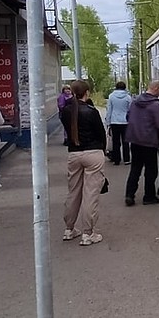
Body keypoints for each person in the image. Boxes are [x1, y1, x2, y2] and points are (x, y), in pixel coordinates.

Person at [60, 79, 106, 246]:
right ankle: (88, 233)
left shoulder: (66, 111)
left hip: (74, 154)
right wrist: (104, 150)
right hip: (93, 153)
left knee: (74, 192)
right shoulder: (91, 111)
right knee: (90, 194)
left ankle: (69, 229)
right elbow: (101, 133)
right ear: (87, 93)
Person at [125, 80, 159, 206]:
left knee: (135, 169)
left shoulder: (135, 101)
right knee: (151, 170)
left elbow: (128, 116)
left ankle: (129, 195)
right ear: (157, 89)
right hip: (149, 141)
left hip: (135, 139)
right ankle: (149, 196)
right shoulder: (156, 105)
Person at [105, 80, 132, 164]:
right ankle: (127, 159)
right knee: (125, 141)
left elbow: (109, 110)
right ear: (124, 88)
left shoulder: (111, 96)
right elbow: (130, 110)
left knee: (115, 141)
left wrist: (108, 122)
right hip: (125, 122)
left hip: (114, 121)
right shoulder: (128, 97)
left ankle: (116, 159)